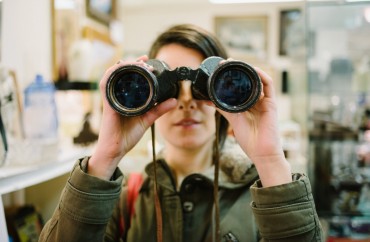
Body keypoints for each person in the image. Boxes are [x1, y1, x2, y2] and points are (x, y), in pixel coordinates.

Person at [39, 24, 323, 242]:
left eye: (202, 87)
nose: (186, 100)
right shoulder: (126, 198)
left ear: (221, 99)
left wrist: (270, 160)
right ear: (151, 96)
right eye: (170, 87)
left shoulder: (264, 193)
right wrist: (105, 156)